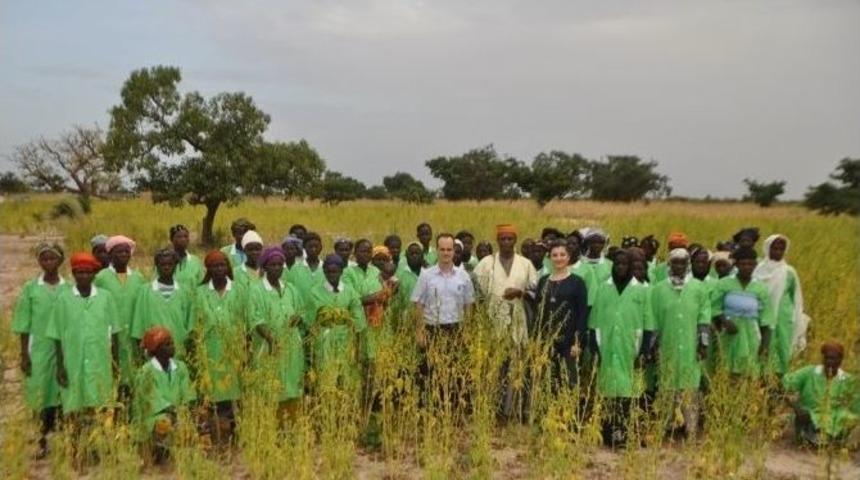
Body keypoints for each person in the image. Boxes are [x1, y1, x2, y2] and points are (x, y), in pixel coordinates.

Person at [589, 249, 654, 447]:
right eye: (617, 264)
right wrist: (595, 349)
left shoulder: (641, 290)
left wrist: (643, 351)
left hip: (630, 347)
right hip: (607, 347)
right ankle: (608, 434)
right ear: (613, 265)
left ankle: (625, 435)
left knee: (629, 394)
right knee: (607, 392)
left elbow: (648, 324)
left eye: (625, 264)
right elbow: (593, 324)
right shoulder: (603, 289)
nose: (621, 267)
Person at [46, 252, 120, 417]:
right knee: (74, 405)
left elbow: (115, 333)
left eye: (88, 272)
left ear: (94, 274)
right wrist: (60, 367)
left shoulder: (106, 298)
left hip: (100, 359)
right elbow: (56, 336)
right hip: (72, 360)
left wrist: (115, 364)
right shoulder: (63, 300)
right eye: (80, 272)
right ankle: (75, 439)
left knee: (99, 403)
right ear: (73, 274)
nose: (84, 276)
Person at [12, 242, 66, 456]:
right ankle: (40, 440)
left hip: (62, 350)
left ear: (60, 260)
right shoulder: (31, 289)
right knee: (39, 393)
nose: (48, 262)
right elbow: (24, 324)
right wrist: (24, 354)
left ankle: (61, 439)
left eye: (53, 258)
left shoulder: (68, 288)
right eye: (44, 259)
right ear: (39, 261)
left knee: (61, 393)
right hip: (39, 349)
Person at [650, 248, 711, 439]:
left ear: (688, 264)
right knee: (667, 386)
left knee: (690, 386)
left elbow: (704, 316)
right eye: (675, 262)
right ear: (669, 264)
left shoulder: (698, 288)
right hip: (667, 345)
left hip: (690, 346)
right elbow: (652, 319)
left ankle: (690, 429)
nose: (678, 266)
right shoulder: (658, 290)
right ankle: (666, 426)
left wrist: (703, 343)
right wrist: (653, 346)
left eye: (682, 262)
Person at [192, 250, 247, 444]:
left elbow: (245, 322)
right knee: (213, 394)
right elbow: (195, 325)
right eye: (214, 266)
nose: (218, 269)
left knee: (234, 392)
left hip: (234, 351)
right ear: (208, 269)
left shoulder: (239, 290)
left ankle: (235, 433)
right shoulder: (200, 293)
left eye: (222, 265)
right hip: (209, 351)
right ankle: (217, 436)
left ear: (228, 268)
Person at [249, 246, 306, 415]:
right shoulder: (256, 290)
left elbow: (301, 311)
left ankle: (290, 428)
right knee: (271, 386)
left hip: (292, 346)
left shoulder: (291, 289)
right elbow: (255, 318)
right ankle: (270, 428)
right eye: (273, 265)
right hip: (268, 347)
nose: (277, 268)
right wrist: (270, 339)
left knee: (292, 384)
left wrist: (298, 318)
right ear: (265, 267)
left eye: (280, 265)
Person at [303, 254, 371, 387]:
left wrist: (357, 348)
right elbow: (311, 322)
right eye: (328, 271)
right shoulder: (315, 292)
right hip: (324, 340)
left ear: (341, 271)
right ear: (324, 271)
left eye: (335, 271)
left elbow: (358, 320)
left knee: (346, 376)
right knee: (326, 377)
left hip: (346, 340)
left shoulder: (350, 292)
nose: (332, 275)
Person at [132, 327, 196, 464]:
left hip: (177, 413)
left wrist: (184, 410)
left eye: (172, 343)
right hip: (152, 418)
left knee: (193, 422)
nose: (172, 347)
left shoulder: (181, 367)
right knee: (164, 423)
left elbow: (187, 393)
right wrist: (174, 412)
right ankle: (155, 450)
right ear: (156, 350)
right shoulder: (145, 372)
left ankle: (174, 450)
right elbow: (153, 401)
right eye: (167, 345)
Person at [710, 246, 774, 378]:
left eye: (750, 264)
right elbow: (713, 307)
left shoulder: (760, 287)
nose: (746, 267)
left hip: (751, 334)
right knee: (728, 370)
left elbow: (766, 318)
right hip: (730, 335)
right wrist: (725, 320)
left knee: (749, 371)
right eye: (743, 264)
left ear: (755, 265)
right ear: (736, 264)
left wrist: (765, 345)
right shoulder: (724, 284)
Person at [533, 241, 589, 389]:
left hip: (569, 341)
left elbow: (582, 313)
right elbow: (538, 313)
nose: (559, 258)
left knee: (568, 383)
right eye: (555, 255)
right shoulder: (543, 281)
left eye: (562, 255)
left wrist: (578, 342)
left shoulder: (577, 282)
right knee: (548, 382)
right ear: (549, 258)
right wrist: (537, 339)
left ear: (569, 257)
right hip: (547, 341)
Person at [95, 235, 146, 395]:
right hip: (111, 336)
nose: (124, 254)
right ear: (110, 254)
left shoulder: (138, 278)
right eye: (119, 252)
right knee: (112, 371)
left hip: (133, 334)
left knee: (134, 372)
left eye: (126, 251)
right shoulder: (101, 278)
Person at [474, 224, 539, 346]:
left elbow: (536, 291)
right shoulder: (487, 263)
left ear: (515, 240)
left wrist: (520, 293)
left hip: (517, 318)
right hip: (491, 319)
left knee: (516, 357)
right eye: (503, 239)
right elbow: (476, 293)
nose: (506, 242)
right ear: (497, 240)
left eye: (510, 239)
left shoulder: (526, 264)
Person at [783, 342, 858, 445]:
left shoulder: (848, 381)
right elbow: (786, 384)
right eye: (826, 358)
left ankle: (833, 440)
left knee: (848, 419)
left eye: (833, 359)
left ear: (840, 360)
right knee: (804, 416)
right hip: (810, 416)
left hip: (836, 419)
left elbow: (856, 406)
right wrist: (796, 406)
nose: (829, 362)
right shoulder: (809, 372)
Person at [754, 234, 807, 376]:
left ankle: (780, 380)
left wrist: (798, 319)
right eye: (775, 248)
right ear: (767, 248)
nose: (778, 251)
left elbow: (796, 297)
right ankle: (762, 379)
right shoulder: (758, 270)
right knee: (762, 347)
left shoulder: (789, 272)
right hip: (761, 315)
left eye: (781, 249)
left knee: (782, 347)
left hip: (783, 318)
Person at [130, 249, 195, 360]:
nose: (166, 267)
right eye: (162, 264)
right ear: (156, 266)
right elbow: (138, 326)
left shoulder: (185, 291)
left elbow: (190, 326)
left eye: (170, 264)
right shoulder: (145, 291)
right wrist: (141, 353)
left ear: (176, 265)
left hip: (178, 350)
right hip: (153, 353)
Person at [281, 235, 314, 302]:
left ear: (296, 251)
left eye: (292, 249)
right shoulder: (278, 266)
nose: (289, 251)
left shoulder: (304, 267)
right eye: (287, 249)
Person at [169, 225, 204, 289]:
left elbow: (201, 284)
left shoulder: (195, 261)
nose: (183, 239)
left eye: (185, 236)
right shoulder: (165, 260)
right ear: (171, 239)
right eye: (179, 237)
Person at [396, 241, 425, 309]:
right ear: (406, 255)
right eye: (411, 254)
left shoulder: (428, 274)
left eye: (417, 253)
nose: (414, 256)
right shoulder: (400, 275)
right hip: (406, 316)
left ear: (422, 255)